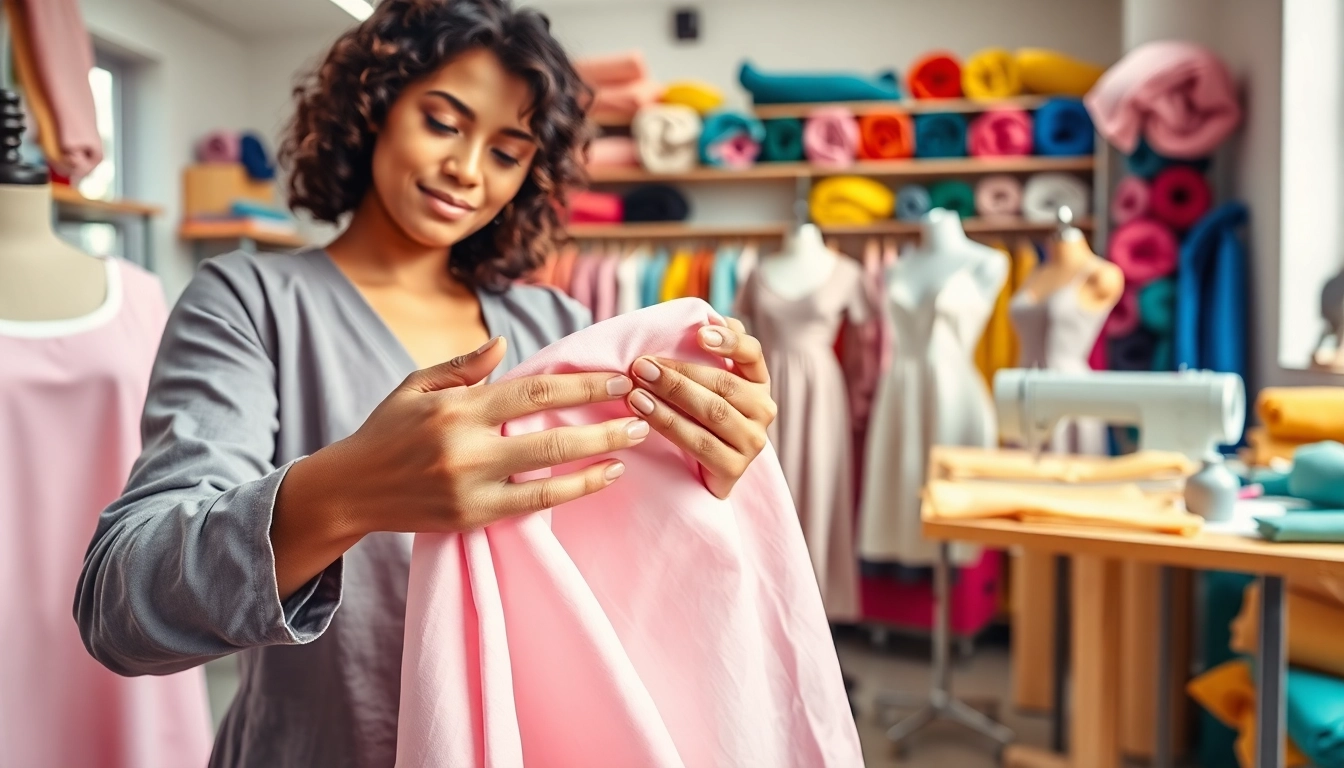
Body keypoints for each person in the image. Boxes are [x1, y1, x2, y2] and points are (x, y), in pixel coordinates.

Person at [74, 1, 776, 765]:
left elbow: (625, 569)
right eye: (443, 123)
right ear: (373, 106)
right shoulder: (249, 301)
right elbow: (123, 603)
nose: (467, 170)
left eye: (506, 153)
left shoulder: (558, 323)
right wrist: (349, 491)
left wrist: (704, 472)